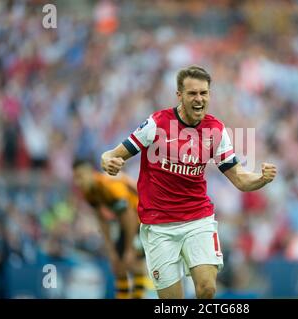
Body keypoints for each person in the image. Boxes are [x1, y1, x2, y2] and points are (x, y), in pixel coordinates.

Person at [100, 65, 277, 299]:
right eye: (192, 93)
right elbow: (112, 154)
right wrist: (108, 162)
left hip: (197, 219)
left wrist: (261, 179)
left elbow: (240, 178)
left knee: (207, 288)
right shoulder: (156, 124)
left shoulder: (216, 130)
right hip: (158, 225)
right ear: (179, 95)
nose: (199, 99)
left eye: (204, 93)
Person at [72, 159, 150, 299]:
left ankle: (137, 296)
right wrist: (111, 250)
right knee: (118, 266)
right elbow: (101, 220)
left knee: (134, 263)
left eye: (80, 176)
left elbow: (130, 216)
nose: (78, 182)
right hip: (123, 223)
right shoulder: (89, 192)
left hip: (142, 219)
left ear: (90, 173)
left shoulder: (109, 185)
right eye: (76, 178)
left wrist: (129, 249)